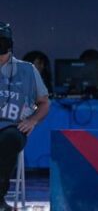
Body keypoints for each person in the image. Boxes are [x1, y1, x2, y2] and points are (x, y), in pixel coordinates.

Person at [0, 23, 49, 210]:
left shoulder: (27, 70)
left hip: (12, 128)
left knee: (9, 139)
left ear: (9, 44)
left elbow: (44, 103)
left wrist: (33, 120)